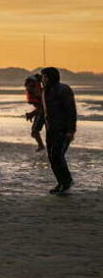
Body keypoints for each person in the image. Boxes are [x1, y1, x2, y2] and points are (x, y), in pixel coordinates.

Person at [40, 67, 77, 195]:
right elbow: (43, 111)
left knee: (57, 155)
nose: (42, 79)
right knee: (52, 157)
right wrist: (37, 128)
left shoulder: (64, 89)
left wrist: (71, 131)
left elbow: (71, 111)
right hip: (50, 130)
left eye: (44, 76)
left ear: (50, 77)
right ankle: (61, 182)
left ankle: (67, 181)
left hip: (62, 130)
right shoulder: (45, 91)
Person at [25, 75, 47, 152]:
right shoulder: (38, 91)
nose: (28, 87)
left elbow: (42, 108)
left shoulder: (38, 92)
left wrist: (31, 114)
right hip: (43, 112)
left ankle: (41, 146)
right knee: (35, 132)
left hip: (44, 113)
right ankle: (41, 146)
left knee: (34, 131)